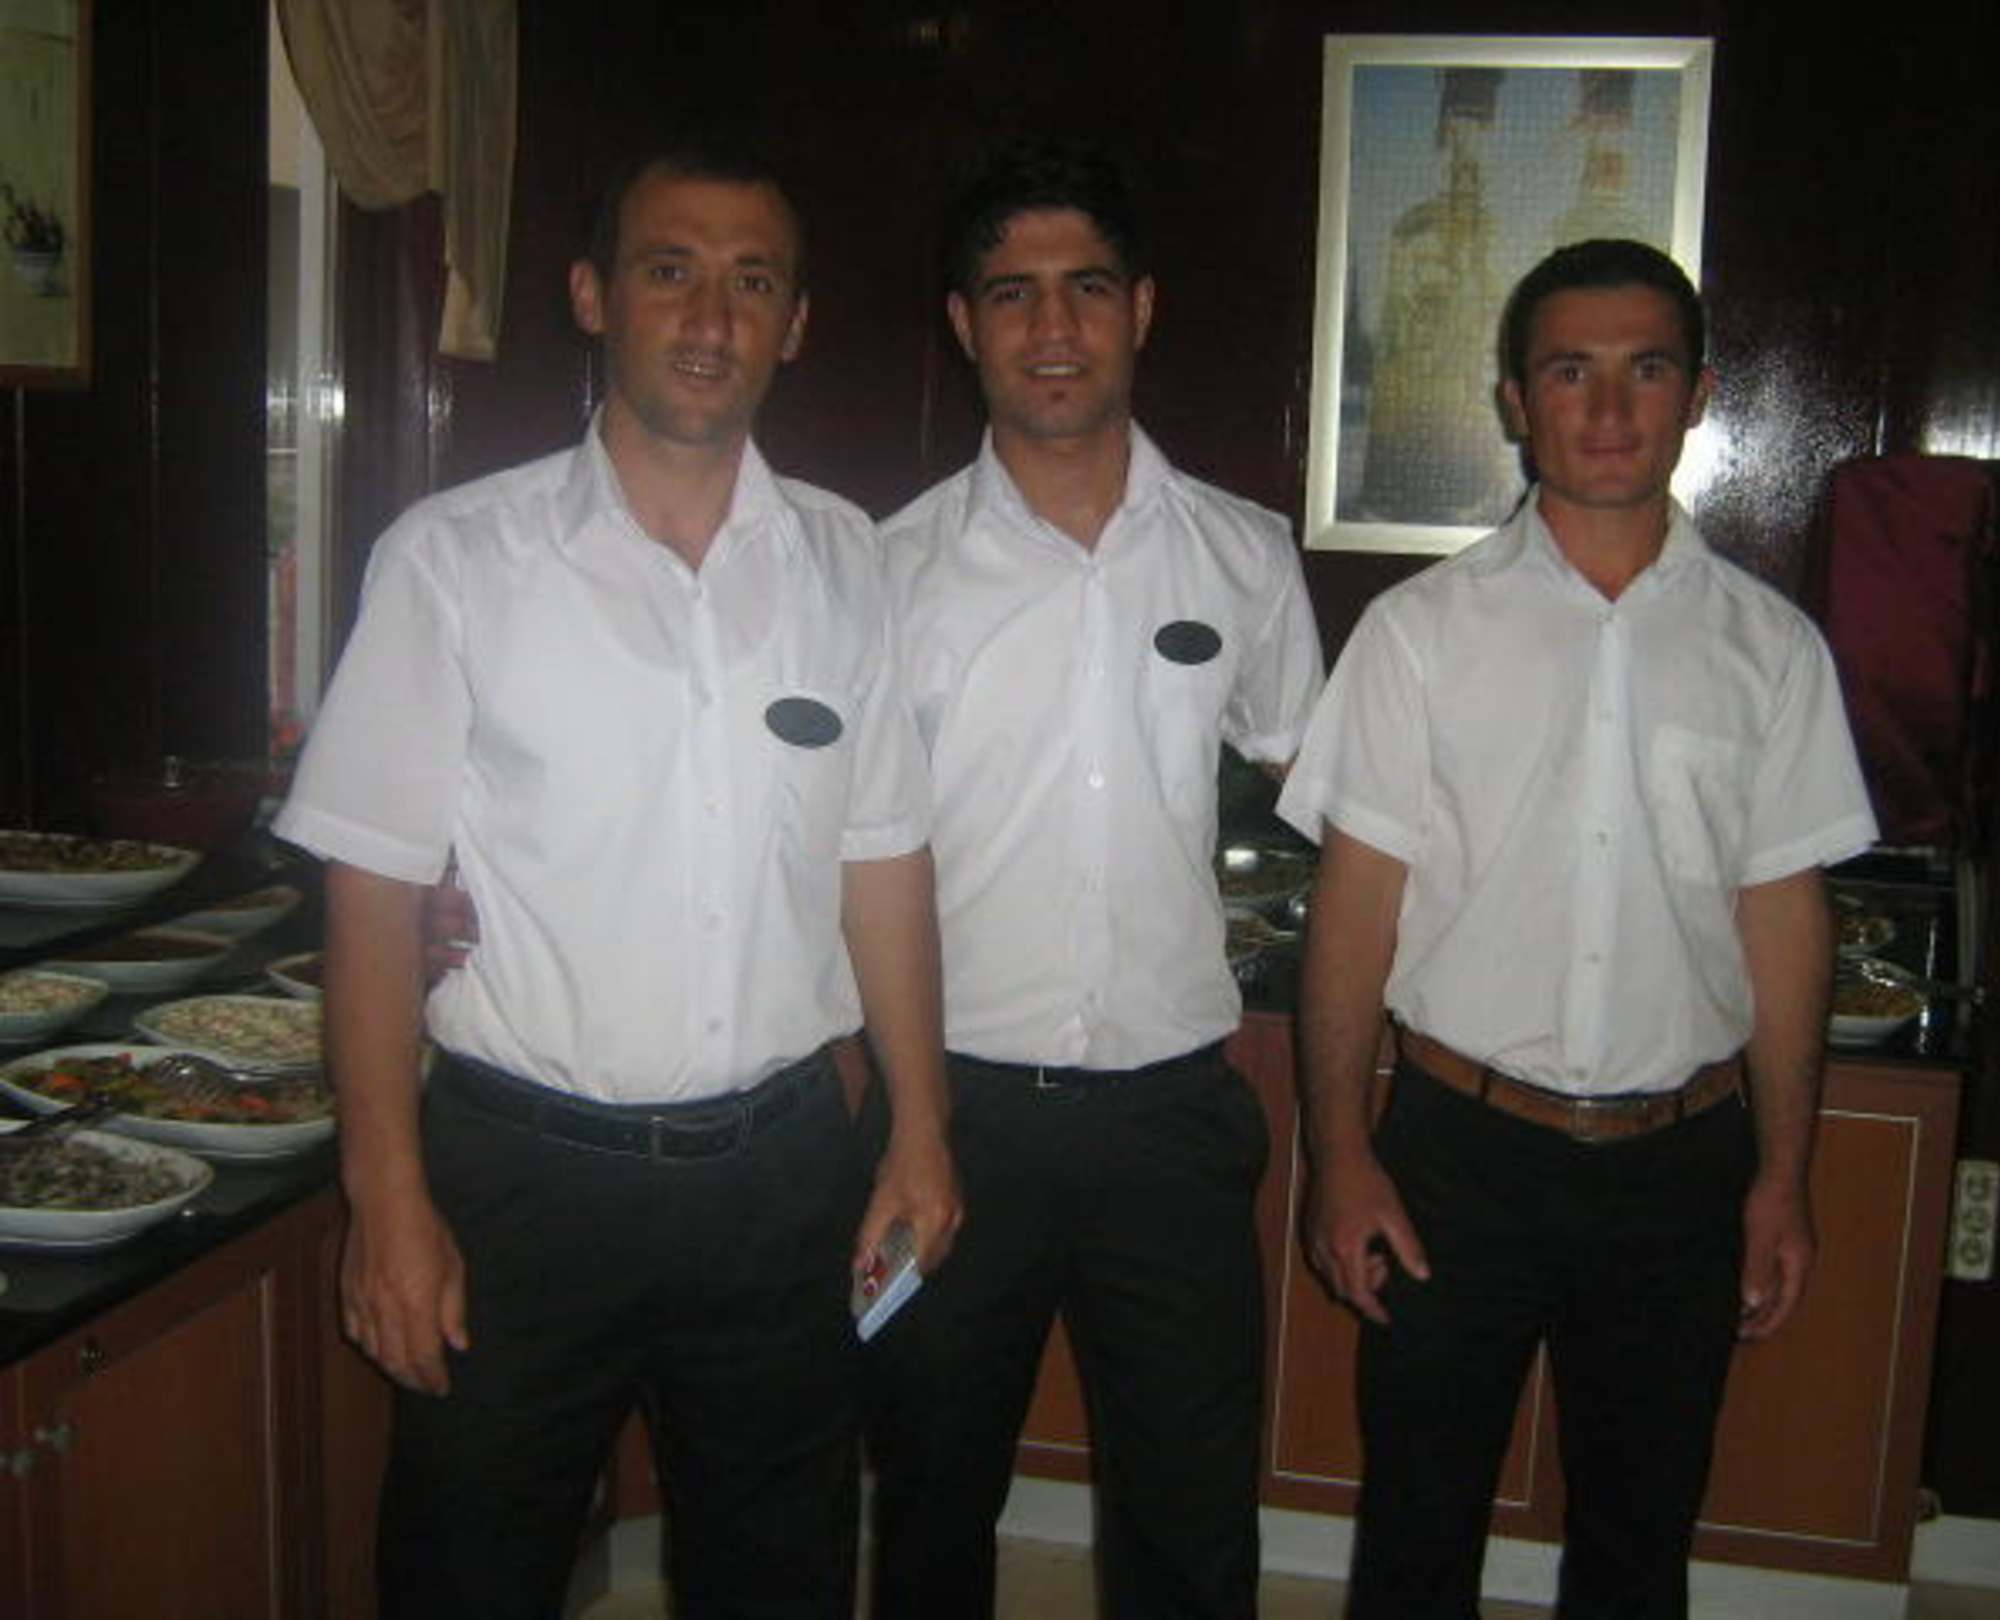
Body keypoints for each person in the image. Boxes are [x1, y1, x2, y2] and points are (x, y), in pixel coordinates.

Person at [273, 142, 959, 1620]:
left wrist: (921, 1126)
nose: (710, 317)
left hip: (781, 1178)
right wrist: (385, 1197)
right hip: (524, 1184)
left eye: (752, 282)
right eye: (670, 271)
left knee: (780, 1580)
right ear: (593, 296)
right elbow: (372, 891)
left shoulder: (845, 560)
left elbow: (884, 854)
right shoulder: (454, 559)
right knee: (468, 1576)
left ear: (795, 323)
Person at [1280, 238, 1877, 1619]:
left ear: (1698, 395)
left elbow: (1786, 923)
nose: (1609, 409)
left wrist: (1784, 1175)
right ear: (1515, 400)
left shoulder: (1772, 649)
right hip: (1457, 1160)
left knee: (1640, 1543)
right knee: (1415, 1532)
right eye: (1570, 372)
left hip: (1683, 1170)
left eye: (1646, 370)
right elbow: (1355, 916)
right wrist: (1343, 1156)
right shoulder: (1419, 634)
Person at [864, 138, 1325, 1620]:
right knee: (930, 1502)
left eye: (1086, 289)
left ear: (1143, 309)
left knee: (1194, 1525)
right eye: (1012, 294)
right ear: (964, 324)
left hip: (1174, 1119)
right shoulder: (884, 571)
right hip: (951, 1112)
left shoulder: (1243, 555)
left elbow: (1326, 790)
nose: (1052, 327)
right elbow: (832, 845)